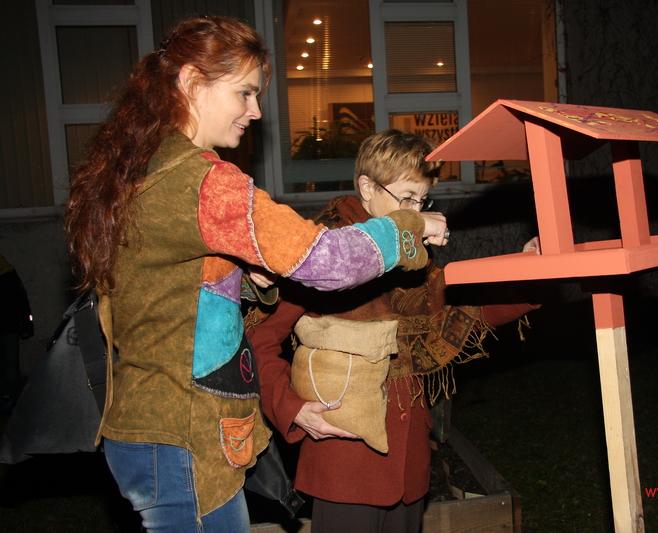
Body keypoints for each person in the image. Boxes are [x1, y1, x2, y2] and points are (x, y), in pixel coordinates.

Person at [63, 17, 448, 532]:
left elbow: (164, 285)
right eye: (244, 92)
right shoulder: (204, 183)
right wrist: (408, 226)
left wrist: (244, 278)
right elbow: (326, 261)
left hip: (157, 429)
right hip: (182, 435)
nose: (256, 111)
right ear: (191, 82)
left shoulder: (149, 167)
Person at [249, 129, 540, 532]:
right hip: (344, 465)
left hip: (408, 464)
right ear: (367, 188)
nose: (416, 212)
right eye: (406, 198)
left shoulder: (413, 252)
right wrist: (292, 408)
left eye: (422, 201)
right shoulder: (323, 252)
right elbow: (259, 338)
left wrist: (527, 276)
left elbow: (460, 309)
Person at [0, 254, 34, 413]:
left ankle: (16, 405)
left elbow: (20, 300)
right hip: (10, 325)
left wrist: (26, 323)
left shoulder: (7, 274)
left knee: (10, 370)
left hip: (9, 326)